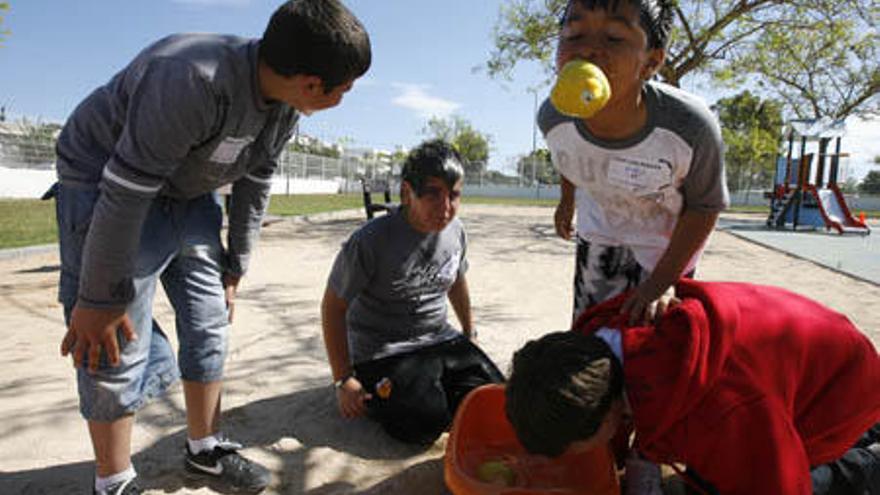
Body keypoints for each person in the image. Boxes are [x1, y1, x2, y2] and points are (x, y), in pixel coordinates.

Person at [53, 1, 371, 493]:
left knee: (210, 323)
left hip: (189, 191)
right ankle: (113, 481)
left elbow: (257, 177)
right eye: (345, 89)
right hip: (107, 184)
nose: (346, 98)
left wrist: (236, 267)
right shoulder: (191, 78)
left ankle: (204, 451)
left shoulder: (285, 106)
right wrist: (97, 298)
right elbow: (125, 189)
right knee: (110, 338)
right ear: (311, 83)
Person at [505, 280, 880, 495]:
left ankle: (869, 460)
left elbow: (779, 483)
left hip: (843, 384)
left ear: (607, 419)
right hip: (793, 354)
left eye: (574, 448)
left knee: (734, 484)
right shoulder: (594, 344)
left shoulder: (721, 410)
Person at [540, 0, 728, 325]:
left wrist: (662, 283)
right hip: (600, 237)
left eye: (613, 38)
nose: (587, 50)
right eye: (574, 34)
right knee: (591, 340)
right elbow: (570, 154)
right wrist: (567, 200)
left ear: (651, 62)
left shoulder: (690, 127)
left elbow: (704, 207)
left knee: (654, 347)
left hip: (666, 251)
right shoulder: (554, 118)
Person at [321, 140, 504, 445]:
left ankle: (430, 385)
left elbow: (457, 280)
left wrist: (469, 331)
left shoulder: (455, 231)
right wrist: (343, 379)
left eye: (454, 195)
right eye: (433, 194)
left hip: (439, 338)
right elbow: (332, 307)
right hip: (383, 350)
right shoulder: (371, 241)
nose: (446, 208)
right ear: (407, 192)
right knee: (424, 423)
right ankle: (383, 394)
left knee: (495, 399)